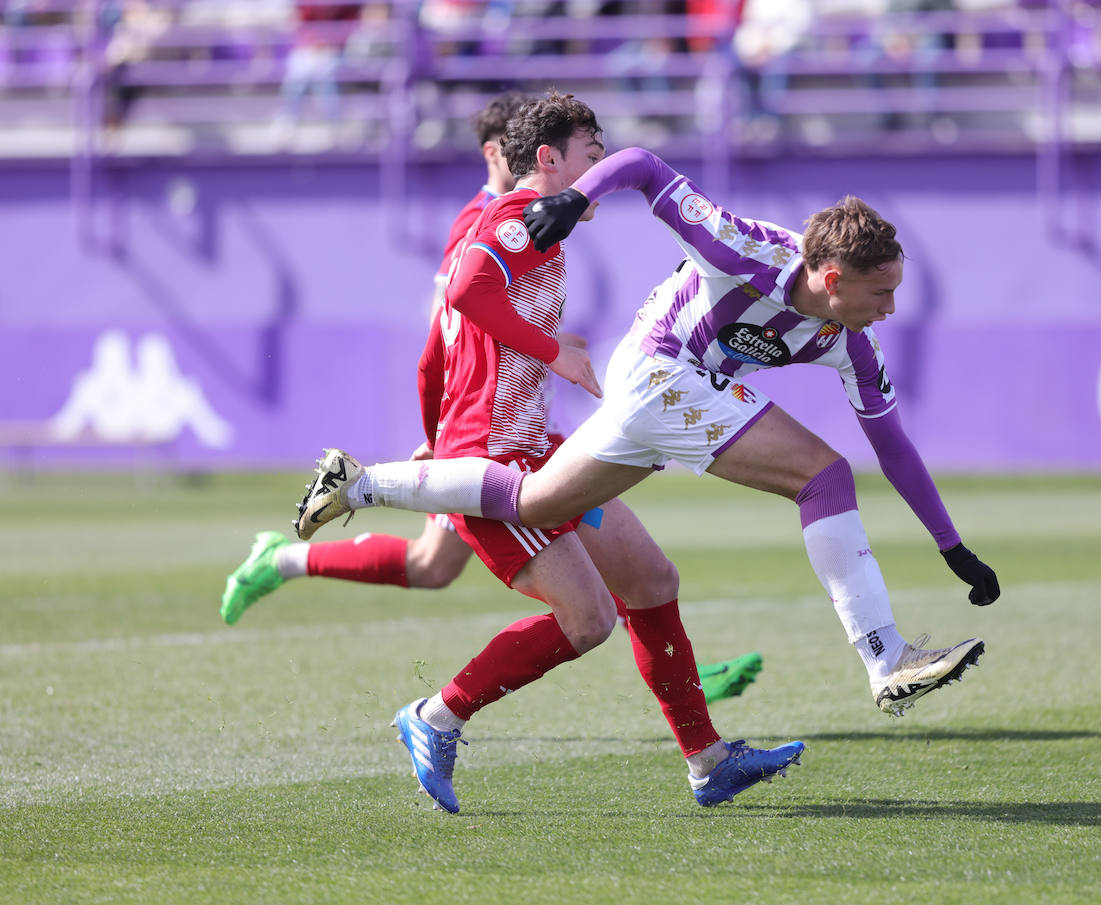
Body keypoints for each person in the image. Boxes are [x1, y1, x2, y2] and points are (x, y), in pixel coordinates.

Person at [295, 146, 1002, 718]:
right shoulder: (745, 249)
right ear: (833, 276)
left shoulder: (852, 343)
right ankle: (884, 657)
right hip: (657, 366)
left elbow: (895, 446)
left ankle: (361, 482)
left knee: (536, 502)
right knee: (823, 476)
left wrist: (952, 545)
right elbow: (643, 165)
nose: (891, 308)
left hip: (671, 395)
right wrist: (577, 196)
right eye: (881, 293)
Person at [294, 93, 804, 812]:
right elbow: (469, 293)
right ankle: (435, 715)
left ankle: (708, 760)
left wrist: (438, 422)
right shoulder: (514, 220)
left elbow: (436, 350)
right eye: (591, 158)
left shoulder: (529, 229)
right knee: (588, 619)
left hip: (535, 445)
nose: (597, 176)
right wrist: (548, 355)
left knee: (653, 580)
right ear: (549, 158)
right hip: (496, 459)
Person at [221, 92, 763, 706]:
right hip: (483, 433)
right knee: (447, 569)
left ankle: (687, 684)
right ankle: (288, 562)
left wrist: (545, 343)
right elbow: (448, 331)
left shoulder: (535, 218)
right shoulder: (491, 223)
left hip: (523, 430)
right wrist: (442, 428)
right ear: (515, 153)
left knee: (615, 574)